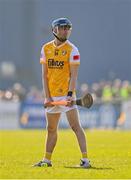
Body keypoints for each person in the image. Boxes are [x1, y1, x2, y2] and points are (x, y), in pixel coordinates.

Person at [34, 18, 91, 168]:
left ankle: (85, 160)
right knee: (51, 129)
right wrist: (47, 96)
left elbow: (74, 75)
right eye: (63, 28)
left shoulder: (73, 50)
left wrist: (69, 94)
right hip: (52, 96)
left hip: (67, 95)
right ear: (55, 30)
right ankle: (47, 160)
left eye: (68, 28)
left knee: (75, 127)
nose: (66, 30)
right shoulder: (45, 48)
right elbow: (44, 75)